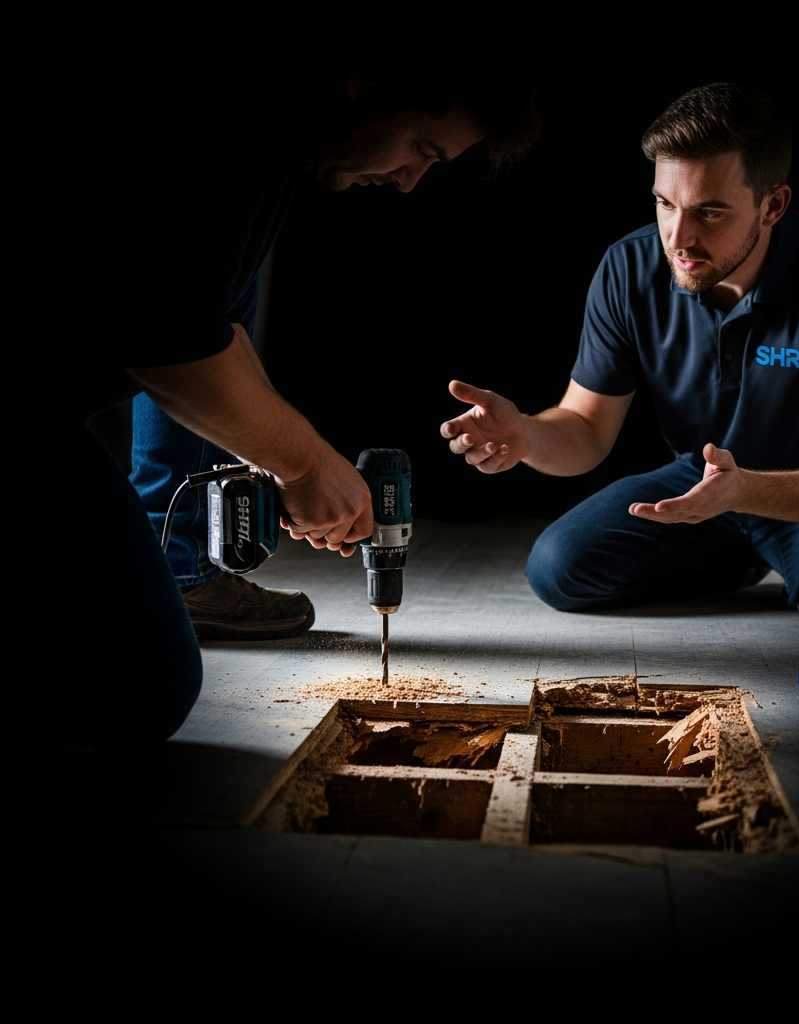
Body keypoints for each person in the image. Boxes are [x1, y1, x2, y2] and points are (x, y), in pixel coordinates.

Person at [71, 51, 538, 747]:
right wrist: (305, 464)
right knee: (148, 682)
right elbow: (169, 337)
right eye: (420, 147)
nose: (410, 180)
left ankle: (183, 575)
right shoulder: (226, 128)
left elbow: (212, 323)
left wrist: (276, 459)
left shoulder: (281, 149)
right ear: (367, 81)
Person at [439, 82, 799, 641]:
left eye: (709, 211)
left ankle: (791, 558)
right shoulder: (628, 267)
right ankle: (736, 562)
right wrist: (524, 435)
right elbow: (586, 428)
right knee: (557, 570)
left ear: (772, 206)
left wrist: (745, 490)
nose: (678, 237)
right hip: (700, 481)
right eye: (666, 203)